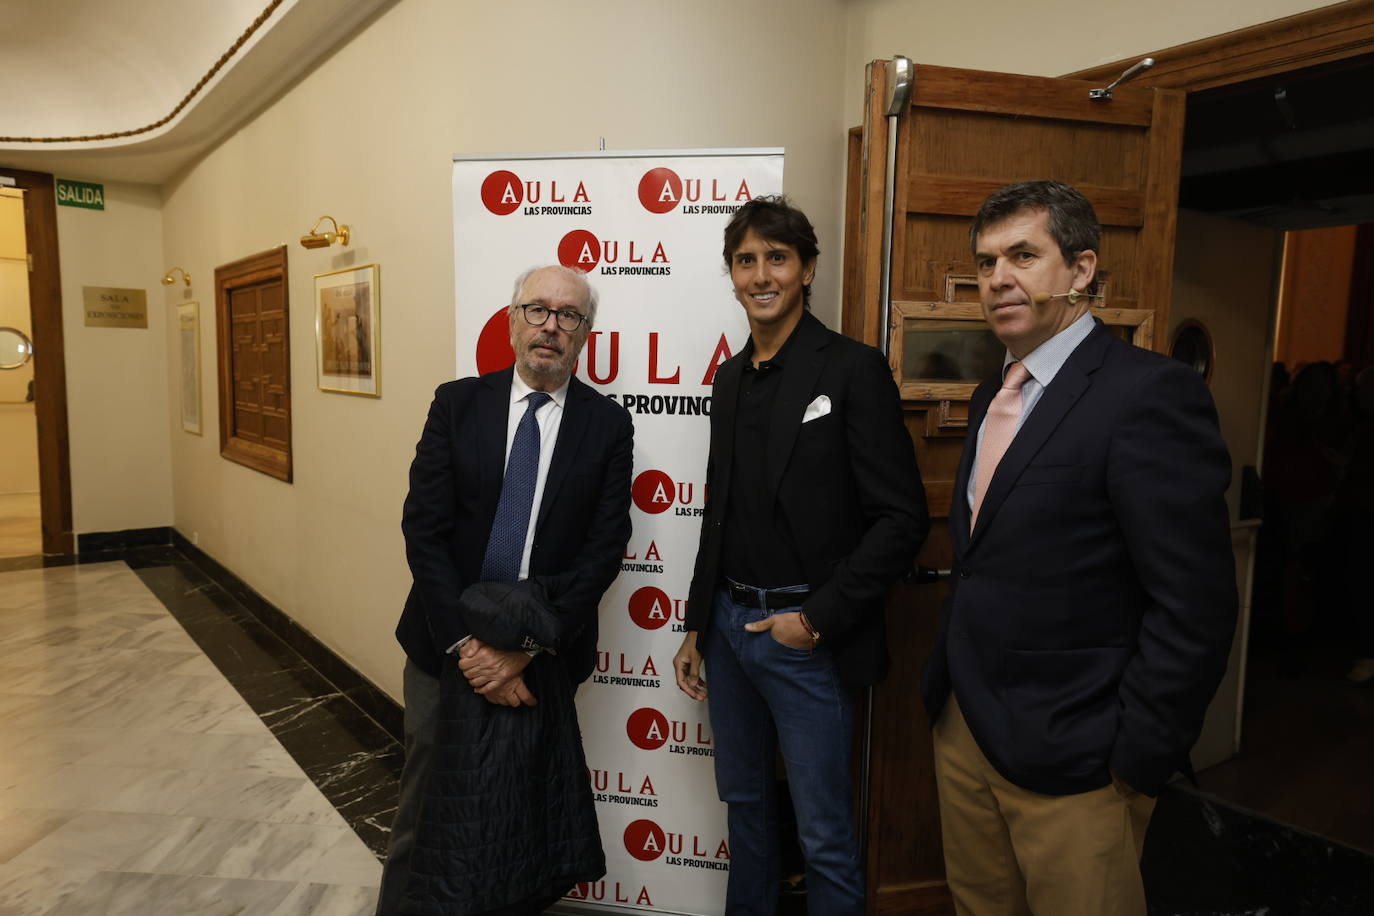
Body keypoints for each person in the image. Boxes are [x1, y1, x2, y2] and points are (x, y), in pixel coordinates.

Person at [922, 180, 1237, 916]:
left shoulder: (1147, 394)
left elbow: (1194, 603)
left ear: (1083, 269)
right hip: (966, 728)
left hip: (1081, 758)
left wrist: (1136, 758)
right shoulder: (991, 394)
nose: (999, 277)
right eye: (987, 261)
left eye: (1024, 255)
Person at [673, 195, 928, 915]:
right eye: (746, 260)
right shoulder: (727, 379)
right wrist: (697, 624)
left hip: (805, 639)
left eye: (776, 258)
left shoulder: (852, 370)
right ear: (731, 274)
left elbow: (901, 518)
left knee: (822, 835)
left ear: (806, 268)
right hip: (727, 630)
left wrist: (814, 620)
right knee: (747, 812)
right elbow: (716, 513)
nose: (761, 274)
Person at [377, 265, 634, 916]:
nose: (552, 325)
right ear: (513, 319)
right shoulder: (457, 405)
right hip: (443, 649)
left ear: (586, 334)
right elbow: (424, 533)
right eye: (538, 309)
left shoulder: (607, 426)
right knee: (424, 813)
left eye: (569, 315)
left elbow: (603, 551)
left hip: (540, 659)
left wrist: (524, 649)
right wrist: (469, 646)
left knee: (521, 825)